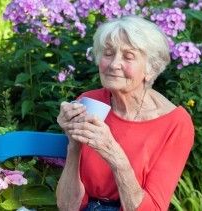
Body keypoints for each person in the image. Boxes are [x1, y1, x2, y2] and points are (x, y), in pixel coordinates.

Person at [56, 15, 194, 211]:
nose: (113, 64)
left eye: (128, 56)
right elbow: (67, 207)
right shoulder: (88, 102)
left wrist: (113, 153)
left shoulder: (175, 123)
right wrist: (74, 144)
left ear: (151, 68)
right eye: (108, 53)